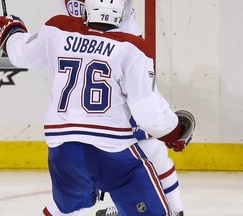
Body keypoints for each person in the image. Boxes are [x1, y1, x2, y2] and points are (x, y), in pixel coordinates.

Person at [0, 0, 195, 215]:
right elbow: (147, 111)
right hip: (111, 147)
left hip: (62, 147)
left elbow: (24, 53)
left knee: (67, 206)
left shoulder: (57, 29)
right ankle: (169, 209)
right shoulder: (132, 48)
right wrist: (174, 132)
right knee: (151, 152)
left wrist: (10, 33)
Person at [61, 1, 186, 216]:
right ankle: (170, 209)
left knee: (147, 147)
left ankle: (171, 209)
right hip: (98, 61)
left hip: (112, 60)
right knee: (143, 149)